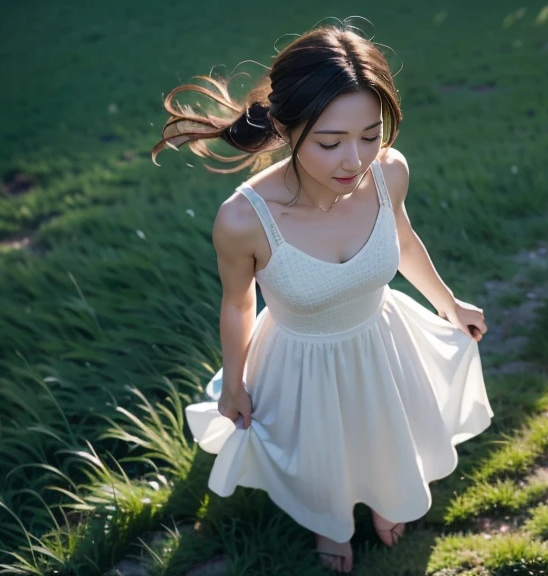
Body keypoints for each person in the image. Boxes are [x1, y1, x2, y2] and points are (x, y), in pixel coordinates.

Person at [152, 20, 494, 573]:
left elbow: (401, 240)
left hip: (381, 338)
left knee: (385, 427)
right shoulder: (244, 220)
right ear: (287, 129)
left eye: (370, 134)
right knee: (320, 455)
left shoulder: (388, 174)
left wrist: (449, 304)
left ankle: (390, 495)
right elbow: (239, 303)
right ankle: (328, 525)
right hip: (302, 358)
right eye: (330, 142)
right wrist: (235, 382)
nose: (354, 161)